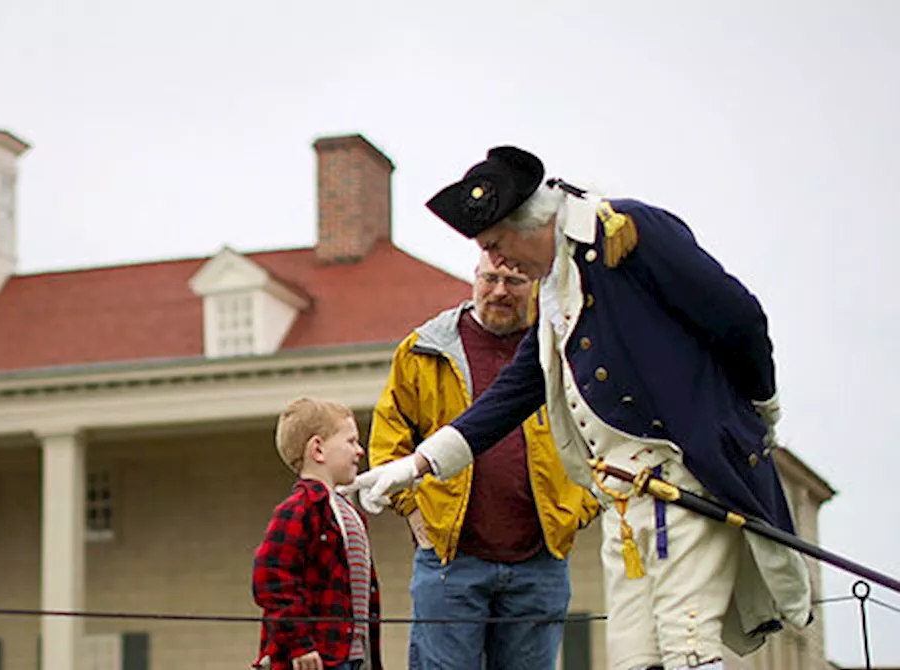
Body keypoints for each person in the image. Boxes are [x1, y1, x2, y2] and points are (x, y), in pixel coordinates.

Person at [343, 146, 813, 670]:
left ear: (530, 222)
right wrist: (417, 465)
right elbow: (511, 395)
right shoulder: (556, 289)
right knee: (634, 658)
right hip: (625, 501)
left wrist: (759, 409)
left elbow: (738, 316)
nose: (497, 263)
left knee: (688, 647)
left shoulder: (629, 234)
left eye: (496, 244)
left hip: (681, 479)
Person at [368, 249, 599, 669]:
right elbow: (388, 444)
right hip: (450, 563)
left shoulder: (566, 353)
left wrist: (574, 512)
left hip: (540, 563)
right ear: (474, 277)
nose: (499, 291)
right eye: (490, 279)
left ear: (536, 284)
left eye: (514, 282)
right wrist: (418, 517)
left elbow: (603, 440)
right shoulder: (423, 350)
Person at [252, 397, 384, 670]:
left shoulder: (349, 513)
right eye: (351, 442)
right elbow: (272, 578)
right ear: (318, 449)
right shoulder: (301, 509)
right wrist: (299, 643)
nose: (359, 451)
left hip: (351, 656)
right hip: (315, 658)